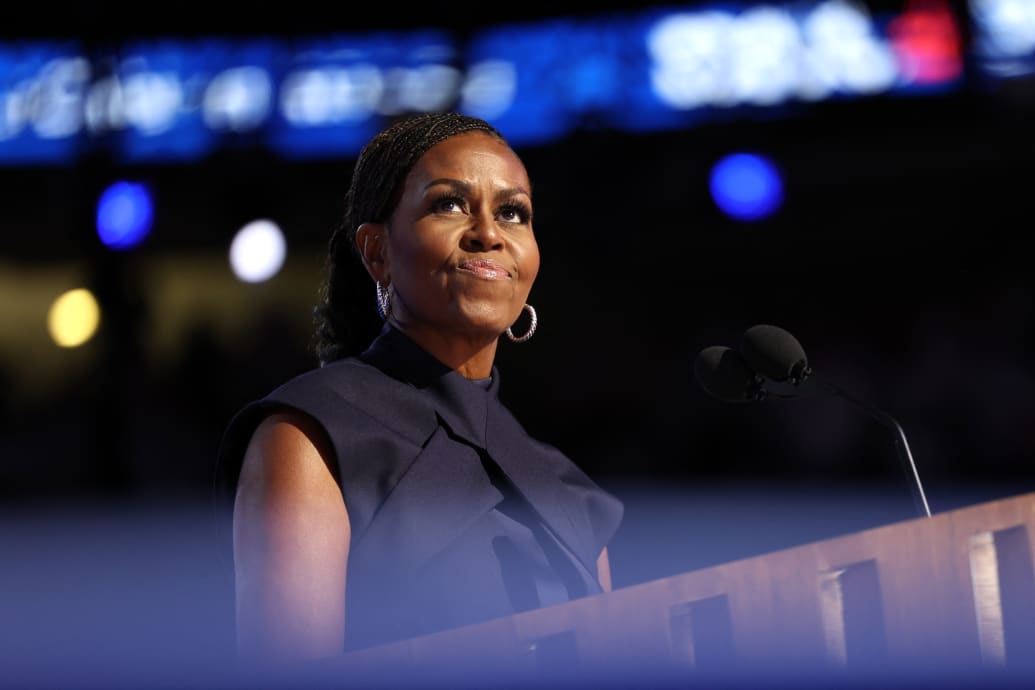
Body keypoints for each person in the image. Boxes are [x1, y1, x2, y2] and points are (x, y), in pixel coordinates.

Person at [215, 111, 624, 667]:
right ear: (378, 252)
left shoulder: (561, 483)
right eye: (449, 204)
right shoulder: (309, 438)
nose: (488, 233)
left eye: (512, 213)